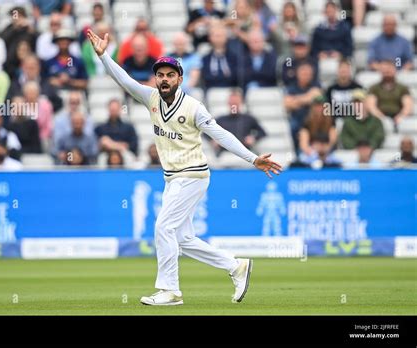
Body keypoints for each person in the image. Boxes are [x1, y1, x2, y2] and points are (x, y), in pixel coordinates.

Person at [87, 29, 282, 305]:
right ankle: (235, 266)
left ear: (180, 78)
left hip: (192, 175)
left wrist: (252, 158)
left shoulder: (193, 107)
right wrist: (103, 55)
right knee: (184, 238)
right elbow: (124, 79)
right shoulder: (150, 98)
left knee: (163, 227)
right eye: (160, 75)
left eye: (170, 75)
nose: (164, 80)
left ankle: (170, 290)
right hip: (172, 179)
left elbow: (220, 134)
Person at [212, 89, 266, 155]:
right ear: (228, 103)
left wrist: (253, 138)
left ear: (241, 103)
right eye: (232, 103)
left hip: (245, 153)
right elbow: (206, 132)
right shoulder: (220, 120)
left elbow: (262, 132)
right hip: (225, 154)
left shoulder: (248, 119)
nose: (234, 106)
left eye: (236, 103)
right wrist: (213, 139)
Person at [284, 62, 322, 153]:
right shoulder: (292, 87)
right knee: (293, 126)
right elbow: (287, 104)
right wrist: (308, 98)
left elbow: (317, 96)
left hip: (313, 118)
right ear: (297, 73)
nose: (306, 75)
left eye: (308, 73)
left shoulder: (316, 85)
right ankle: (297, 153)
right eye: (303, 73)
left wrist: (296, 100)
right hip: (298, 118)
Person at [366, 60, 413, 127]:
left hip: (398, 118)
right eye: (384, 70)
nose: (387, 71)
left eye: (390, 69)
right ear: (380, 71)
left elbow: (408, 106)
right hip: (379, 117)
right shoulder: (374, 88)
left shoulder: (403, 88)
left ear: (395, 70)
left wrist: (400, 117)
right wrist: (383, 118)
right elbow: (371, 106)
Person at [201, 23, 238, 90]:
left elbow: (235, 77)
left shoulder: (233, 57)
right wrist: (224, 76)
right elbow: (206, 77)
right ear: (210, 38)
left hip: (230, 90)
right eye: (216, 36)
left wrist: (216, 77)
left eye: (221, 36)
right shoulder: (205, 58)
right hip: (211, 91)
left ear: (226, 37)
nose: (218, 39)